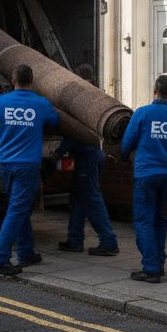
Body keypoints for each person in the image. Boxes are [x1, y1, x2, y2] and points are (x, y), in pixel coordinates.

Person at [0, 63, 61, 277]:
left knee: (19, 208)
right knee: (17, 210)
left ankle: (26, 252)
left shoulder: (0, 101)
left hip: (5, 165)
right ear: (32, 81)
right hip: (27, 166)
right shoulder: (41, 104)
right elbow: (56, 121)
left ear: (13, 81)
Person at [119, 74, 167, 283]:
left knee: (143, 220)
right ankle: (158, 262)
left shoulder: (143, 113)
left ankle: (150, 268)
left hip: (146, 174)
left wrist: (123, 157)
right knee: (158, 219)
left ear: (154, 90)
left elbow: (127, 142)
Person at [55, 64, 120, 257]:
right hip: (93, 154)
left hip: (88, 155)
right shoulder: (98, 95)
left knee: (91, 198)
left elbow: (77, 131)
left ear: (78, 76)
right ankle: (75, 239)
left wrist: (60, 150)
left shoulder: (83, 99)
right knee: (78, 198)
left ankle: (109, 241)